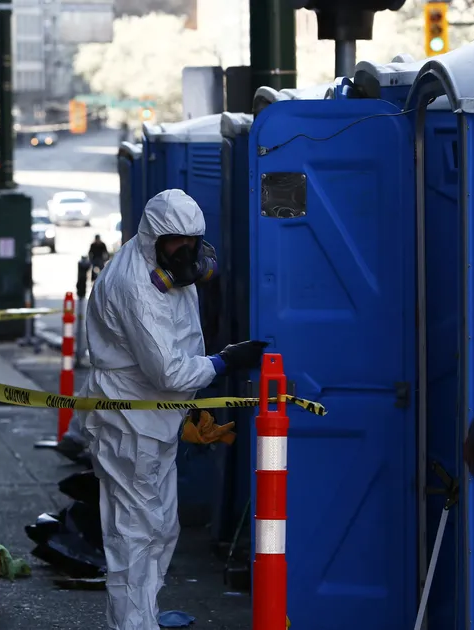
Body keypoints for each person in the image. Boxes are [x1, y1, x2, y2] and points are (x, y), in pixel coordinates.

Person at [81, 189, 268, 629]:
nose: (188, 252)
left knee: (161, 529)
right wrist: (225, 362)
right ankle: (132, 624)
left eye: (193, 241)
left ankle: (144, 616)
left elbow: (179, 347)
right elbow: (167, 372)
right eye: (177, 242)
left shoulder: (166, 274)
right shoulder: (135, 286)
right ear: (154, 239)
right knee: (133, 535)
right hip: (129, 425)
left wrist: (190, 406)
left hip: (154, 419)